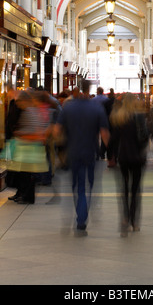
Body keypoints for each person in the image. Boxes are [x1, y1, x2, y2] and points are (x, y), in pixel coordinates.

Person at [54, 80, 110, 235]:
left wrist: (59, 149)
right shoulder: (96, 108)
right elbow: (105, 134)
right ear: (89, 89)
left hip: (72, 153)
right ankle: (81, 219)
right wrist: (112, 154)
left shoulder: (68, 108)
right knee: (87, 187)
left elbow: (57, 131)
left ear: (77, 90)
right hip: (90, 153)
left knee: (76, 186)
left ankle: (77, 213)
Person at [110, 93, 148, 236]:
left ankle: (125, 218)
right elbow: (144, 137)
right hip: (137, 158)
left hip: (123, 157)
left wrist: (112, 154)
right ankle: (134, 221)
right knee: (135, 190)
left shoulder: (119, 118)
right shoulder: (139, 117)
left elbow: (113, 139)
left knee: (124, 189)